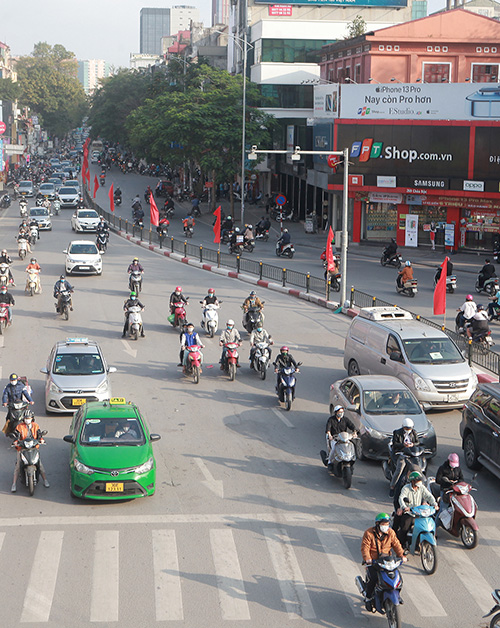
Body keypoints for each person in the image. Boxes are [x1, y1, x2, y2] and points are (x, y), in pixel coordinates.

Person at [360, 513, 406, 609]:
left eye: (387, 524)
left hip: (387, 561)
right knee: (373, 578)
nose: (386, 526)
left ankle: (397, 594)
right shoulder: (369, 533)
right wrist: (367, 558)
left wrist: (401, 555)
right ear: (377, 524)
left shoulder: (391, 533)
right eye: (383, 524)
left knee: (397, 578)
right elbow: (365, 547)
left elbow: (397, 545)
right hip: (374, 561)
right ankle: (368, 598)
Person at [396, 471, 437, 547]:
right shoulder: (406, 488)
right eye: (418, 481)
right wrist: (404, 507)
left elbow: (429, 496)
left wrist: (434, 504)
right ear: (412, 481)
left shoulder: (421, 488)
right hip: (409, 513)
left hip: (420, 513)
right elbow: (401, 498)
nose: (420, 482)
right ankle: (402, 545)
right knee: (405, 527)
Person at [11, 411, 49, 492]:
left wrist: (41, 440)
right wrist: (15, 441)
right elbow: (16, 435)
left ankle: (45, 480)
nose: (27, 420)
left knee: (40, 464)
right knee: (18, 466)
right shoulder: (19, 426)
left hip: (34, 448)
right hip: (22, 448)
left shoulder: (35, 426)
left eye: (28, 418)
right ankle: (14, 484)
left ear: (32, 418)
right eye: (25, 418)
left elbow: (39, 435)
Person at [389, 418, 420, 496]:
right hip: (402, 453)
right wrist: (403, 445)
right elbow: (395, 444)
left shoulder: (414, 432)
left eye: (409, 428)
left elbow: (417, 442)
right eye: (406, 428)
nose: (408, 430)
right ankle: (392, 486)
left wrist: (412, 445)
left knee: (418, 467)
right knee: (399, 469)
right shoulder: (397, 433)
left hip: (412, 454)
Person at [436, 452, 464, 518]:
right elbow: (438, 480)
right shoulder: (442, 468)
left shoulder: (458, 469)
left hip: (455, 490)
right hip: (446, 490)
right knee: (443, 510)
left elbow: (462, 478)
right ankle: (435, 526)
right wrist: (447, 482)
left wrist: (456, 482)